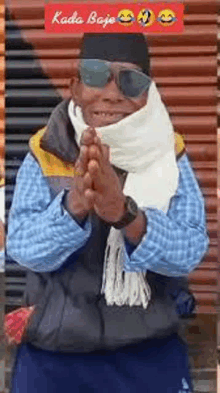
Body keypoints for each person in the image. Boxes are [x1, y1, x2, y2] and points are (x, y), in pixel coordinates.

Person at [7, 33, 208, 393]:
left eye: (131, 81)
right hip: (54, 354)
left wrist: (127, 216)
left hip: (148, 351)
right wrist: (76, 206)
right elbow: (22, 248)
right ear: (75, 86)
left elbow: (189, 252)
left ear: (147, 95)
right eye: (96, 76)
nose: (112, 93)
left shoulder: (170, 155)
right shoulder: (45, 153)